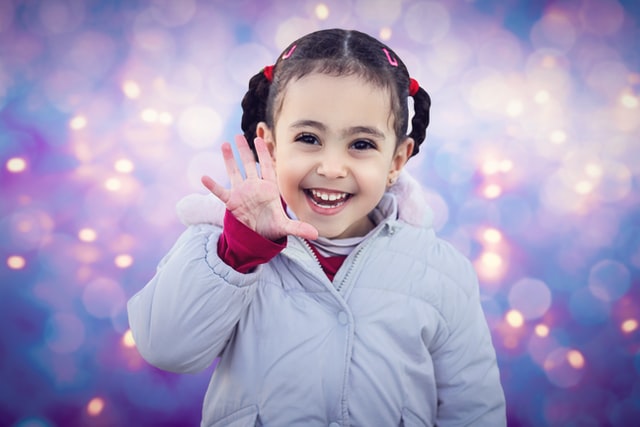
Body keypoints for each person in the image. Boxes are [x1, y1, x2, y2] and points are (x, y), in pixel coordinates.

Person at [127, 28, 506, 426]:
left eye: (361, 145)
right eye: (308, 138)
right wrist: (240, 249)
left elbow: (474, 408)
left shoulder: (442, 272)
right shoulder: (225, 247)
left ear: (396, 161)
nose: (331, 167)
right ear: (270, 147)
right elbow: (165, 347)